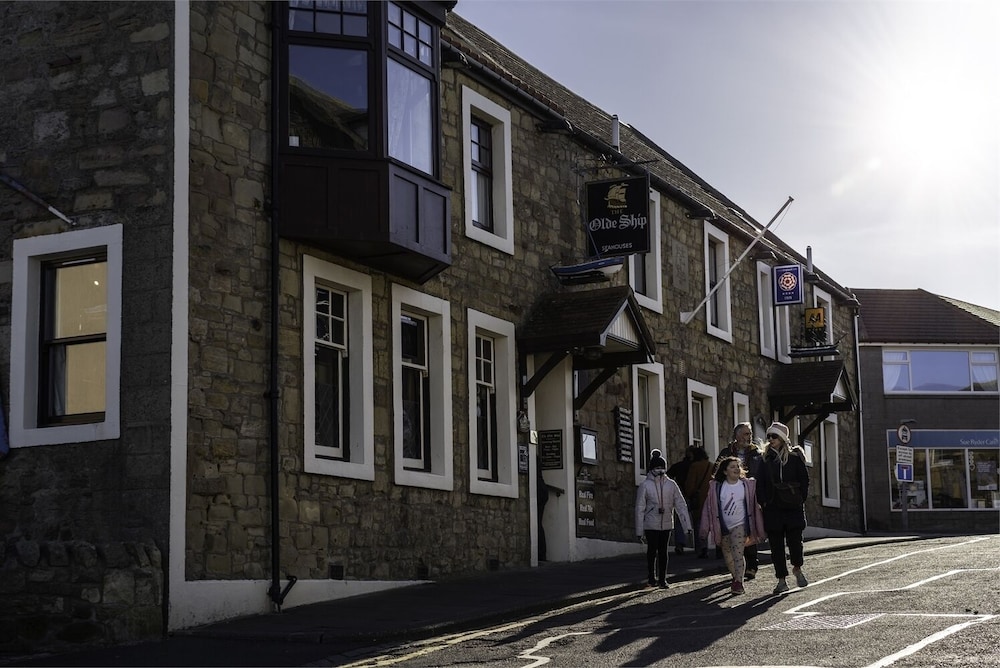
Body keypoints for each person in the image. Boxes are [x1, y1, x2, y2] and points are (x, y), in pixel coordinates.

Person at [699, 456, 766, 594]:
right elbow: (708, 508)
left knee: (738, 553)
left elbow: (755, 506)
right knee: (728, 555)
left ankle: (738, 583)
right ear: (725, 471)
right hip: (723, 527)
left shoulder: (746, 485)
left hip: (740, 525)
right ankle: (736, 577)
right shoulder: (716, 487)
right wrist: (704, 530)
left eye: (737, 466)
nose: (736, 468)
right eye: (732, 466)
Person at [757, 421, 811, 594]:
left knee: (796, 543)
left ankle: (797, 568)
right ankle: (781, 580)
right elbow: (760, 484)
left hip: (793, 507)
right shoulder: (765, 460)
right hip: (773, 508)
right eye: (769, 437)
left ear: (782, 438)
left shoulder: (794, 458)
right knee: (776, 546)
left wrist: (801, 498)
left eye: (774, 436)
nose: (771, 439)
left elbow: (804, 479)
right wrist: (763, 501)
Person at [713, 422, 764, 578]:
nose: (749, 437)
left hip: (750, 498)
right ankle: (737, 567)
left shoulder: (757, 454)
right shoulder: (726, 452)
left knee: (750, 530)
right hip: (730, 499)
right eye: (746, 434)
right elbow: (717, 474)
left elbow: (762, 476)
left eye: (749, 434)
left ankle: (751, 565)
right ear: (737, 435)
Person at [636, 451, 692, 588]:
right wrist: (639, 530)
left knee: (663, 552)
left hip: (666, 523)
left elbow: (680, 505)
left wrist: (687, 526)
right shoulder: (645, 485)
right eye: (657, 468)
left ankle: (662, 579)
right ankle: (651, 577)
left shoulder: (671, 485)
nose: (660, 470)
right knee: (652, 551)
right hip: (650, 523)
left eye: (662, 467)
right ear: (651, 469)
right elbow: (639, 508)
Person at [683, 447, 713, 558]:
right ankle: (717, 548)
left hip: (699, 500)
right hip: (711, 499)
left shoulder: (694, 466)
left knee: (699, 524)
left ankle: (701, 548)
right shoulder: (711, 466)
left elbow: (690, 485)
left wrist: (689, 493)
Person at [665, 448, 692, 554]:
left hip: (680, 492)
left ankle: (680, 543)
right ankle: (700, 546)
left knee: (680, 519)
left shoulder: (679, 466)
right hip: (693, 495)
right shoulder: (695, 467)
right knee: (696, 520)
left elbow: (668, 475)